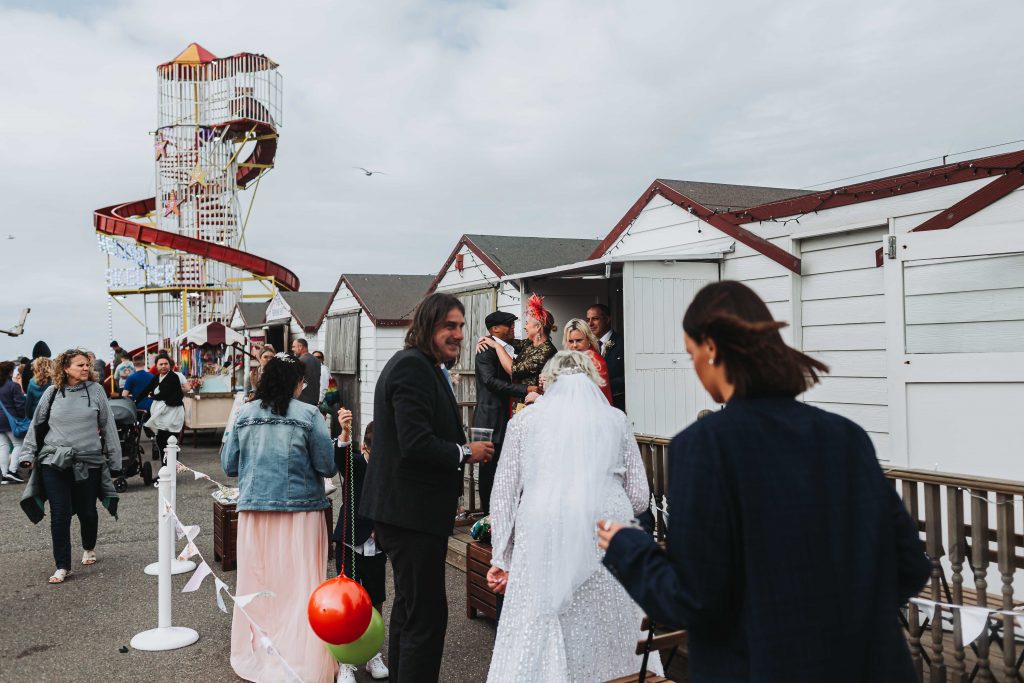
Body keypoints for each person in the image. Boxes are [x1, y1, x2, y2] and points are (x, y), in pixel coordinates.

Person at [597, 281, 931, 683]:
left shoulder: (704, 448)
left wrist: (628, 547)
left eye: (691, 355)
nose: (696, 370)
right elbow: (910, 565)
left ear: (711, 348)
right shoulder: (846, 437)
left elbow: (695, 601)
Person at [485, 351, 660, 681]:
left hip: (543, 524)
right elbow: (639, 497)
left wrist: (501, 557)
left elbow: (505, 493)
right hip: (609, 527)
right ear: (594, 382)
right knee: (606, 615)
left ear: (549, 382)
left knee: (545, 613)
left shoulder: (524, 422)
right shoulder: (616, 420)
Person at [361, 292, 494, 682]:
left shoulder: (427, 367)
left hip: (411, 513)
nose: (458, 334)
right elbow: (414, 442)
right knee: (427, 615)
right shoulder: (412, 368)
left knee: (410, 606)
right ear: (426, 327)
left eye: (461, 326)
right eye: (449, 326)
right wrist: (465, 451)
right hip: (410, 514)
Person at [221, 353, 338, 682]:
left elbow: (229, 465)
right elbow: (327, 466)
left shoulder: (244, 414)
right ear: (296, 383)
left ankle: (259, 653)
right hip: (302, 512)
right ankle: (303, 658)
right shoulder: (309, 414)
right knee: (301, 585)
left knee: (260, 585)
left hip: (256, 513)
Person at [19, 349, 123, 584]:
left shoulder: (96, 391)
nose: (86, 368)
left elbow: (108, 427)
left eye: (87, 365)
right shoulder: (52, 392)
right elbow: (36, 425)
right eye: (80, 365)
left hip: (89, 461)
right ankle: (63, 565)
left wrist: (115, 461)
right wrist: (27, 454)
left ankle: (88, 546)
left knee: (87, 511)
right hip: (53, 461)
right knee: (60, 513)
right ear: (65, 368)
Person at [334, 416, 389, 682]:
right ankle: (346, 660)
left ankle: (372, 654)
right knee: (348, 603)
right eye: (374, 454)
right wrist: (344, 433)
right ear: (364, 448)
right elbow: (340, 457)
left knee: (376, 597)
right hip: (350, 542)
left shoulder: (391, 467)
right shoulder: (355, 463)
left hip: (378, 546)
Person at [472, 311, 537, 514]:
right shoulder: (485, 350)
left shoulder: (509, 346)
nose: (512, 328)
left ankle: (503, 510)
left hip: (506, 416)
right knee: (488, 468)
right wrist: (524, 390)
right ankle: (487, 514)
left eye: (513, 324)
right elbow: (490, 381)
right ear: (494, 330)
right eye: (508, 325)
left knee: (505, 466)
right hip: (487, 418)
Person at [479, 294, 557, 412]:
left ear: (537, 328)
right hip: (521, 403)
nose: (525, 327)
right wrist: (486, 338)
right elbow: (506, 340)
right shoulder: (529, 344)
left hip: (536, 405)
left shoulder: (546, 350)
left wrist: (496, 345)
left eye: (527, 323)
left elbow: (514, 369)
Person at [138, 353, 184, 460]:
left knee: (171, 441)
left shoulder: (173, 377)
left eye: (165, 364)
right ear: (156, 366)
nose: (163, 366)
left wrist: (153, 395)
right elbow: (146, 389)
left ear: (169, 365)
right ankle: (165, 467)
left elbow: (165, 393)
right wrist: (136, 400)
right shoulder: (155, 378)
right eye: (161, 364)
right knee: (161, 440)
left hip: (172, 413)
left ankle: (172, 467)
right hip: (160, 414)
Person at [563, 317, 612, 404]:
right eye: (570, 341)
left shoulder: (596, 362)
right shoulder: (570, 358)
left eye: (579, 340)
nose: (574, 345)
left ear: (588, 339)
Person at [586, 304, 625, 411]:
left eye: (595, 319)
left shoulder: (623, 344)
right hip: (594, 405)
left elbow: (630, 376)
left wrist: (605, 385)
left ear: (607, 319)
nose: (590, 323)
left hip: (617, 404)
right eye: (588, 319)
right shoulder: (588, 346)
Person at [0, 361, 28, 483]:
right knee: (19, 444)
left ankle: (4, 474)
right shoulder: (13, 386)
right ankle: (12, 471)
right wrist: (22, 418)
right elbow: (20, 405)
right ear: (10, 371)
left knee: (3, 447)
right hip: (10, 420)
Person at [291, 338, 321, 406]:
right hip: (315, 399)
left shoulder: (300, 361)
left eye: (294, 347)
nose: (292, 349)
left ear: (300, 347)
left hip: (302, 401)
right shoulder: (316, 360)